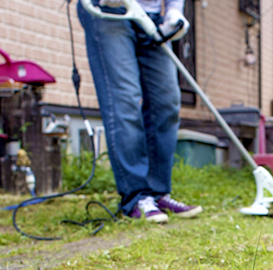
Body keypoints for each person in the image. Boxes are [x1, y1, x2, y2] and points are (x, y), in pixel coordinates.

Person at [77, 0, 203, 223]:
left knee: (166, 101)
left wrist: (174, 10)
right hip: (108, 10)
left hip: (152, 16)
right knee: (125, 99)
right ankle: (137, 196)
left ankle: (157, 193)